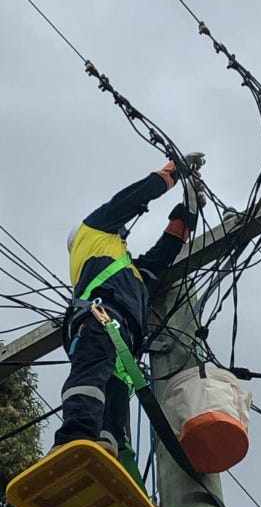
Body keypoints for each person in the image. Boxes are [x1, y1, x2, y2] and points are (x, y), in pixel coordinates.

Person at [53, 155, 206, 459]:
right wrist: (173, 171)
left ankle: (107, 448)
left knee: (116, 391)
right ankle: (74, 438)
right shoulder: (92, 232)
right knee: (91, 372)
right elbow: (133, 198)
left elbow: (163, 253)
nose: (124, 232)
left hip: (124, 341)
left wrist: (188, 211)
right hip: (99, 317)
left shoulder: (131, 273)